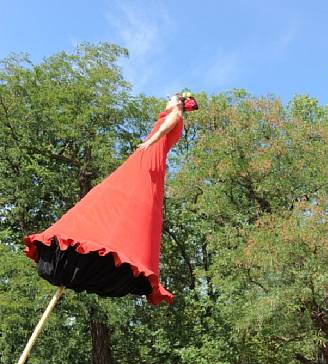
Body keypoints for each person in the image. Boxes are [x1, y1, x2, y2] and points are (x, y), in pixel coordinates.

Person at [23, 91, 199, 304]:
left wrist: (149, 142)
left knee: (124, 194)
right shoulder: (175, 117)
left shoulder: (176, 115)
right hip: (150, 158)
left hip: (150, 156)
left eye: (170, 98)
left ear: (179, 101)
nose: (167, 101)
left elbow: (164, 128)